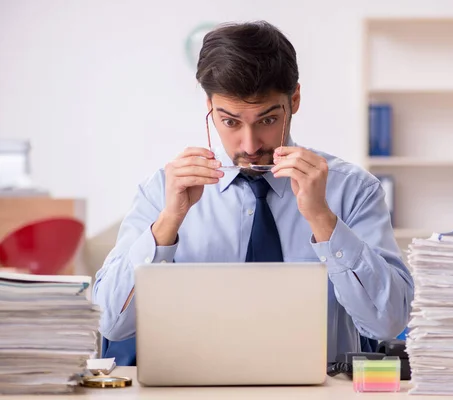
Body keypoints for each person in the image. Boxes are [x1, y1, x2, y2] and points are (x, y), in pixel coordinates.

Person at [93, 20, 414, 366]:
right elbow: (110, 322)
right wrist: (168, 222)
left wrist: (323, 220)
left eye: (267, 120)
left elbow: (388, 323)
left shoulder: (353, 190)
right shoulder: (163, 190)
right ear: (209, 108)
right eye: (230, 122)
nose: (249, 145)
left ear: (294, 100)